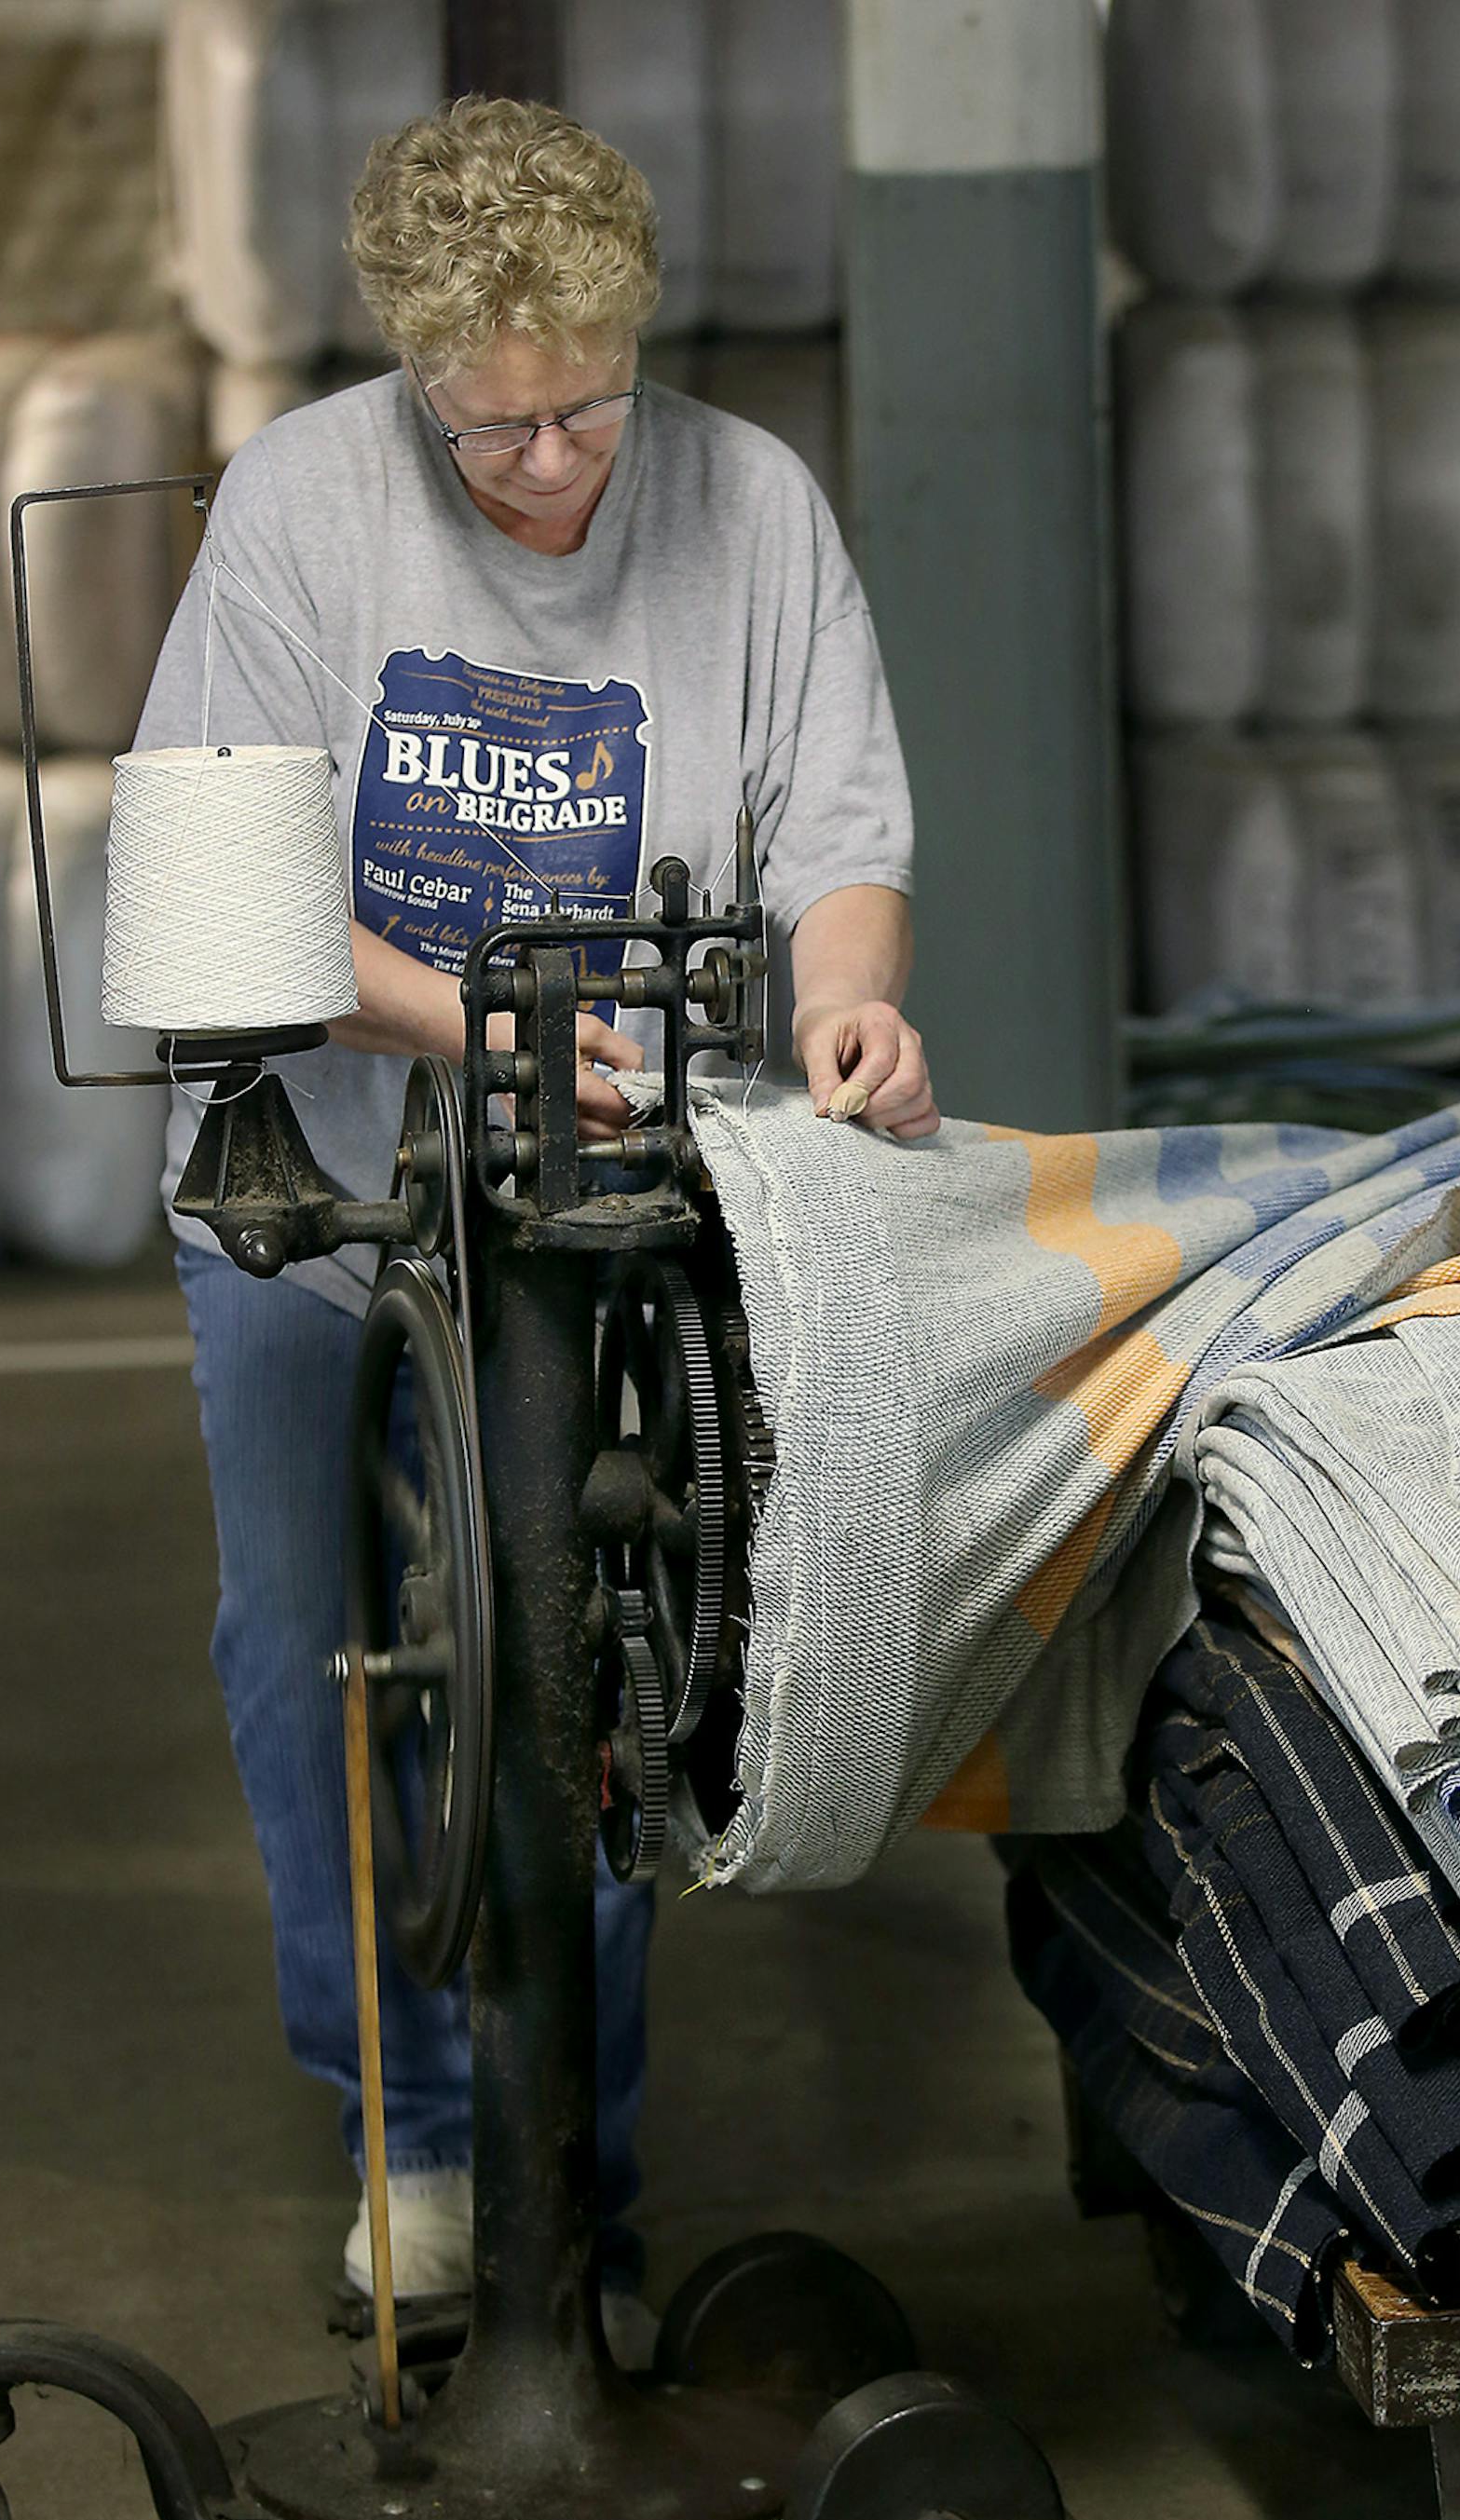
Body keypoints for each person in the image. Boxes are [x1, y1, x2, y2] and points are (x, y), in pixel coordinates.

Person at [136, 94, 938, 2350]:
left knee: (581, 1630)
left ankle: (573, 2150)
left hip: (607, 1167)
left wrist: (851, 1004)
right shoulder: (304, 502)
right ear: (415, 379)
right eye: (488, 435)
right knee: (312, 1631)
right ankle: (398, 2126)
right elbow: (227, 889)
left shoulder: (749, 505)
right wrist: (470, 1030)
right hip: (312, 1150)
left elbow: (839, 816)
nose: (549, 468)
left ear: (633, 343)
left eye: (584, 407)